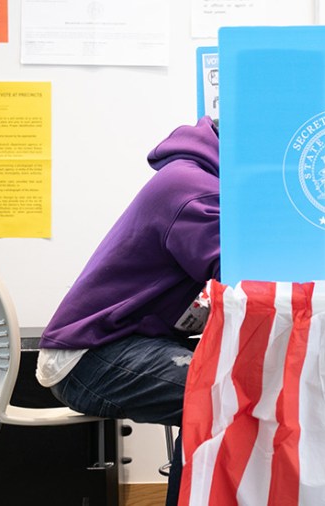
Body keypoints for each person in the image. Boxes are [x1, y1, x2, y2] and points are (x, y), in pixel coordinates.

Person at [36, 116, 220, 506]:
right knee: (218, 399)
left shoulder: (189, 175)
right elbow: (241, 273)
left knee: (225, 391)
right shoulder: (194, 190)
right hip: (93, 357)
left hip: (113, 344)